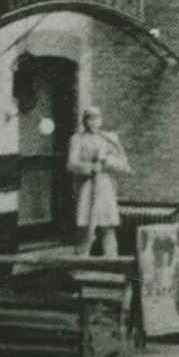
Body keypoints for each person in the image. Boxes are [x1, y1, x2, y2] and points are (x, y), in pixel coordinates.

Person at [68, 106, 131, 257]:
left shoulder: (107, 139)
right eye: (90, 118)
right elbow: (71, 165)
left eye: (97, 118)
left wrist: (108, 159)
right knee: (85, 228)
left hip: (105, 187)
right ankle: (80, 263)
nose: (94, 122)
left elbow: (124, 165)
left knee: (108, 227)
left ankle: (112, 263)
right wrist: (90, 167)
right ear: (85, 120)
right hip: (86, 187)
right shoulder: (77, 139)